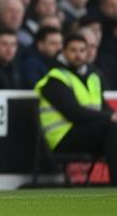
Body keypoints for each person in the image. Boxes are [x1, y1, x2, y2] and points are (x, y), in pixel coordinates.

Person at [35, 34, 117, 185]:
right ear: (63, 52)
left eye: (82, 50)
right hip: (62, 138)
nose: (78, 55)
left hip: (86, 134)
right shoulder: (55, 79)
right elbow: (74, 113)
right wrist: (109, 118)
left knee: (113, 125)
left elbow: (104, 107)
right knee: (112, 127)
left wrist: (112, 116)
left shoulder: (93, 77)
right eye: (73, 50)